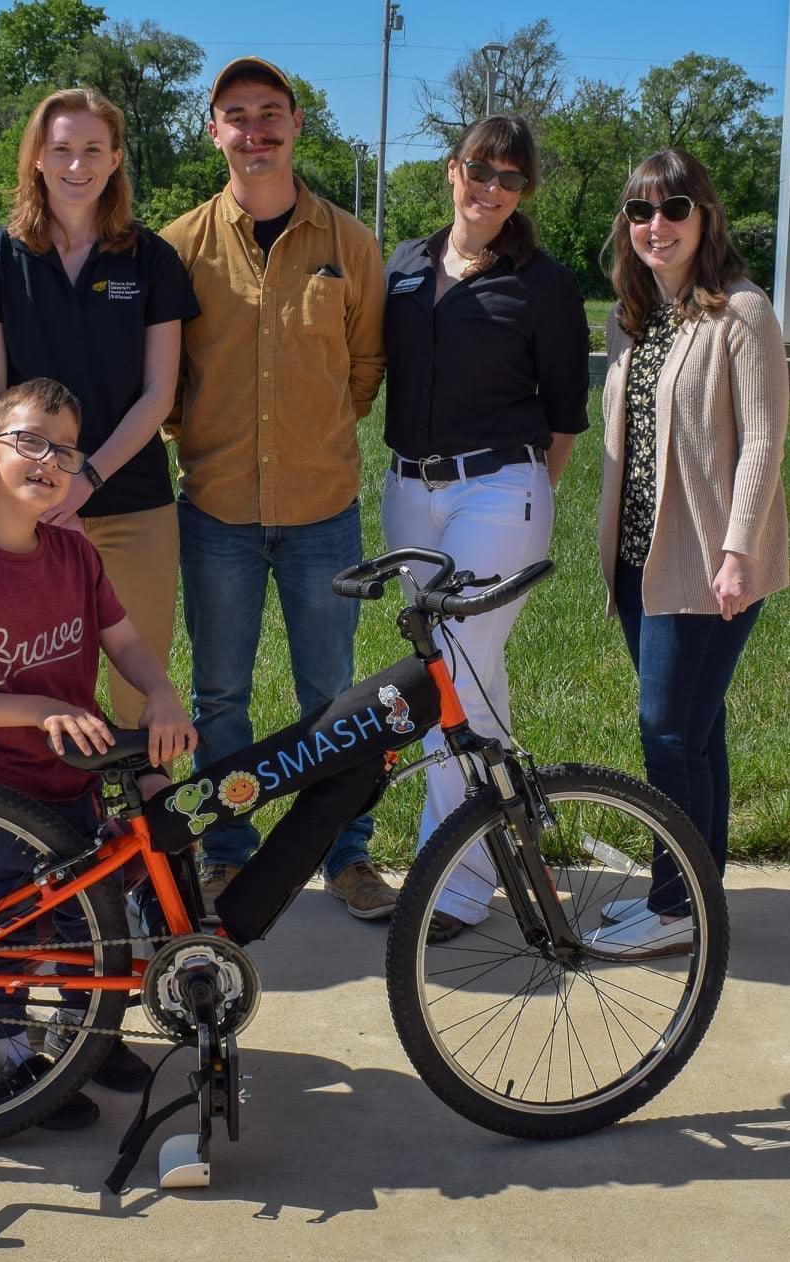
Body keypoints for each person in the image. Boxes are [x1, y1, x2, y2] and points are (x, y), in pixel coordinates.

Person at [0, 377, 199, 1113]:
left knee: (85, 924)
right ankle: (9, 1062)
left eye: (65, 450)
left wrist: (162, 692)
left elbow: (126, 642)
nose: (49, 459)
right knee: (8, 924)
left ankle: (84, 1042)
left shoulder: (74, 556)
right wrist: (41, 708)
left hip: (74, 782)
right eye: (29, 441)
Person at [160, 57, 391, 919]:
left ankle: (346, 855)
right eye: (235, 116)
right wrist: (199, 437)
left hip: (322, 509)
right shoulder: (178, 246)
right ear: (212, 130)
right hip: (215, 508)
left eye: (269, 113)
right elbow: (169, 371)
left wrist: (323, 430)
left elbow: (367, 361)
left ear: (296, 124)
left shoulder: (347, 243)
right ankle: (228, 850)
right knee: (219, 693)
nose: (253, 130)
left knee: (332, 698)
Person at [380, 116, 589, 940]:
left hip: (499, 491)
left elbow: (565, 419)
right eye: (479, 170)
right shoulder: (401, 264)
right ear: (452, 169)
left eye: (509, 178)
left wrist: (523, 502)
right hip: (406, 491)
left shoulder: (544, 284)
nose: (491, 189)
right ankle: (514, 831)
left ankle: (453, 887)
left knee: (451, 680)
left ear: (523, 191)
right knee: (480, 675)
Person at [0, 88, 198, 731]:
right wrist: (43, 489)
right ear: (36, 158)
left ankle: (152, 821)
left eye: (93, 149)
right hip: (27, 510)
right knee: (39, 684)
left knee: (140, 689)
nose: (76, 164)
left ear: (116, 159)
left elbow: (158, 394)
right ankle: (58, 822)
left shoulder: (151, 259)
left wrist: (86, 479)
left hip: (132, 499)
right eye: (61, 148)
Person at [592, 147, 788, 957]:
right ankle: (691, 897)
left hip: (709, 561)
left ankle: (677, 909)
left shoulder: (742, 311)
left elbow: (766, 438)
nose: (656, 225)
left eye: (674, 208)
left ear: (704, 216)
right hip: (645, 557)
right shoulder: (634, 318)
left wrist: (739, 548)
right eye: (640, 211)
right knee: (695, 732)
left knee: (667, 730)